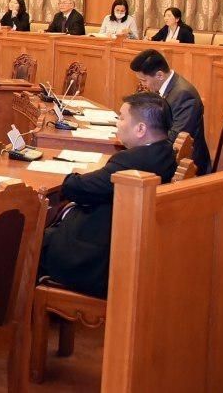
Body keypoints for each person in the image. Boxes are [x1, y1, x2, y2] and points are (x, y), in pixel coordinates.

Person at [38, 92, 177, 297]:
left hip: (96, 259)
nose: (117, 124)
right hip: (115, 240)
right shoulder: (165, 152)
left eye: (121, 118)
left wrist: (71, 177)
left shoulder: (131, 161)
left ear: (140, 129)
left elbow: (76, 188)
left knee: (29, 242)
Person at [130, 49, 210, 173]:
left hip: (185, 165)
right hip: (167, 153)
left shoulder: (184, 94)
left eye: (144, 80)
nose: (142, 84)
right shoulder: (167, 87)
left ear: (160, 75)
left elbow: (177, 138)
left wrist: (143, 137)